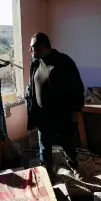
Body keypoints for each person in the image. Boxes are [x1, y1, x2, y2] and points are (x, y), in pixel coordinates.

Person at [25, 32, 85, 173]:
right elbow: (33, 85)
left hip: (61, 115)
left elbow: (77, 87)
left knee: (67, 144)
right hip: (42, 116)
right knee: (44, 147)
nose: (30, 50)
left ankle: (74, 165)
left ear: (41, 46)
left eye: (31, 47)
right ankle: (48, 174)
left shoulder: (64, 62)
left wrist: (76, 110)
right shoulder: (35, 64)